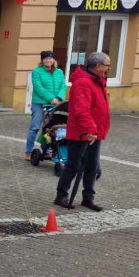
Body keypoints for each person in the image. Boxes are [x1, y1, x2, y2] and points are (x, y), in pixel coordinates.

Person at [55, 52, 111, 212]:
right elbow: (81, 110)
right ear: (98, 66)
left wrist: (96, 130)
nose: (109, 68)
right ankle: (61, 195)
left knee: (92, 166)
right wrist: (90, 129)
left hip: (95, 131)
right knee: (73, 165)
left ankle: (88, 197)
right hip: (83, 131)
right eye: (107, 65)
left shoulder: (98, 81)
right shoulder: (83, 83)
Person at [26, 50, 66, 159]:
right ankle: (29, 151)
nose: (48, 60)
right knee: (35, 127)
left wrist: (58, 97)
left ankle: (48, 150)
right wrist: (51, 98)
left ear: (54, 60)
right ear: (42, 60)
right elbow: (38, 88)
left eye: (50, 58)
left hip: (54, 104)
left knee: (51, 128)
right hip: (39, 103)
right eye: (45, 58)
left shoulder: (59, 72)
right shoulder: (37, 72)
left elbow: (63, 86)